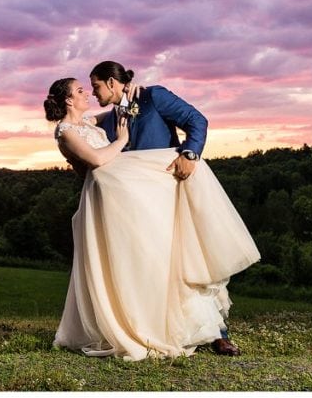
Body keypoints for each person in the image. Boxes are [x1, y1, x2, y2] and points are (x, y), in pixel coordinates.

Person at [45, 75, 259, 361]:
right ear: (69, 99)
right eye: (83, 90)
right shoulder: (68, 129)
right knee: (145, 264)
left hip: (151, 191)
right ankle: (145, 327)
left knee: (181, 256)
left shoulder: (114, 112)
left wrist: (132, 95)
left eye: (93, 86)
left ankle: (216, 332)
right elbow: (94, 161)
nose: (90, 93)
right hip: (119, 200)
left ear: (111, 82)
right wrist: (121, 138)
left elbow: (193, 120)